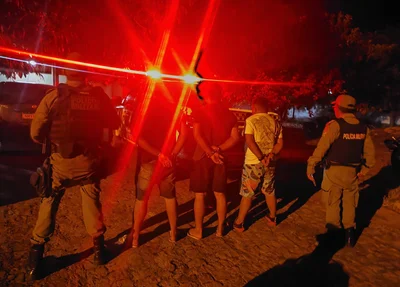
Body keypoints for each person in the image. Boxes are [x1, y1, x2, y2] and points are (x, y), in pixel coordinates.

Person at [27, 52, 121, 280]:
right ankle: (99, 252)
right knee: (91, 199)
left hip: (61, 163)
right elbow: (114, 122)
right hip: (89, 162)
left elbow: (35, 133)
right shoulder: (99, 97)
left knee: (49, 201)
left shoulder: (53, 97)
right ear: (85, 72)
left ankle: (35, 260)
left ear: (65, 72)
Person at [307, 94, 375, 247]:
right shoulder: (363, 128)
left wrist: (311, 165)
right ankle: (350, 234)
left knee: (332, 202)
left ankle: (333, 237)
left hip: (334, 172)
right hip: (352, 172)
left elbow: (322, 148)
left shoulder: (335, 126)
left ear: (338, 108)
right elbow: (371, 156)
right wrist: (363, 170)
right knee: (350, 203)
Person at [130, 91, 189, 247]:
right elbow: (184, 134)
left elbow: (138, 138)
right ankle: (173, 233)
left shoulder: (143, 110)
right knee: (170, 198)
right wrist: (172, 154)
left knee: (142, 199)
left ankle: (135, 237)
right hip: (167, 163)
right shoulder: (174, 110)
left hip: (148, 162)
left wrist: (158, 154)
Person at [188, 82, 240, 240]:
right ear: (220, 96)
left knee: (199, 195)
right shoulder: (230, 114)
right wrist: (219, 150)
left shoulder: (200, 112)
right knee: (220, 194)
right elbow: (235, 138)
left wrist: (210, 152)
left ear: (205, 95)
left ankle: (199, 230)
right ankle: (220, 229)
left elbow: (197, 135)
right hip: (221, 158)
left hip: (202, 156)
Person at [233, 97, 283, 231]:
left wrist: (261, 157)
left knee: (248, 193)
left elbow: (249, 141)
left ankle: (239, 222)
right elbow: (280, 144)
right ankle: (273, 217)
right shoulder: (276, 122)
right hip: (270, 163)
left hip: (253, 163)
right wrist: (271, 155)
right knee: (269, 190)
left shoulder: (251, 120)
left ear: (254, 108)